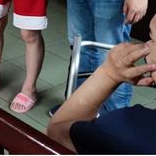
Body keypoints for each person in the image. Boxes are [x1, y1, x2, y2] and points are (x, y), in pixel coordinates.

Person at [47, 15, 156, 154]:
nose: (146, 45)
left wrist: (109, 74)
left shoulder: (125, 129)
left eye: (152, 39)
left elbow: (56, 135)